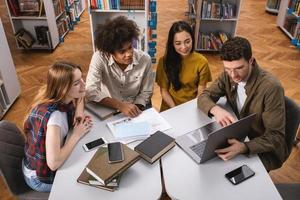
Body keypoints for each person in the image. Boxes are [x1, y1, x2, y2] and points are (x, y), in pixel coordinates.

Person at [197, 36, 288, 171]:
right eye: (228, 68)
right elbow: (204, 96)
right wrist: (216, 110)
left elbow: (276, 137)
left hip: (260, 148)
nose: (233, 75)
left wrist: (244, 147)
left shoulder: (271, 88)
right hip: (238, 135)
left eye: (239, 68)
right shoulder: (228, 74)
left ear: (251, 61)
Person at [23, 62, 93, 192]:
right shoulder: (55, 118)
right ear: (63, 89)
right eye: (76, 83)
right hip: (39, 178)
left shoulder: (57, 95)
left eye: (82, 78)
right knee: (86, 187)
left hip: (36, 161)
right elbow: (54, 164)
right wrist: (77, 134)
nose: (84, 85)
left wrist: (78, 113)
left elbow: (81, 95)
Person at [86, 16, 154, 118]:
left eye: (130, 47)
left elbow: (146, 92)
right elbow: (90, 90)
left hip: (136, 108)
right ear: (110, 52)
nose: (129, 54)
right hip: (108, 108)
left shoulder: (145, 59)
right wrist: (121, 106)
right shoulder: (99, 58)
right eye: (122, 51)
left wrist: (134, 109)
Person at [156, 21, 212, 111]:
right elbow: (164, 91)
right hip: (170, 108)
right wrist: (175, 110)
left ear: (192, 39)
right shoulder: (164, 61)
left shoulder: (202, 62)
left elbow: (201, 92)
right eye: (178, 43)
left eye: (187, 41)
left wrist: (193, 109)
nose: (184, 47)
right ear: (172, 44)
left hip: (193, 107)